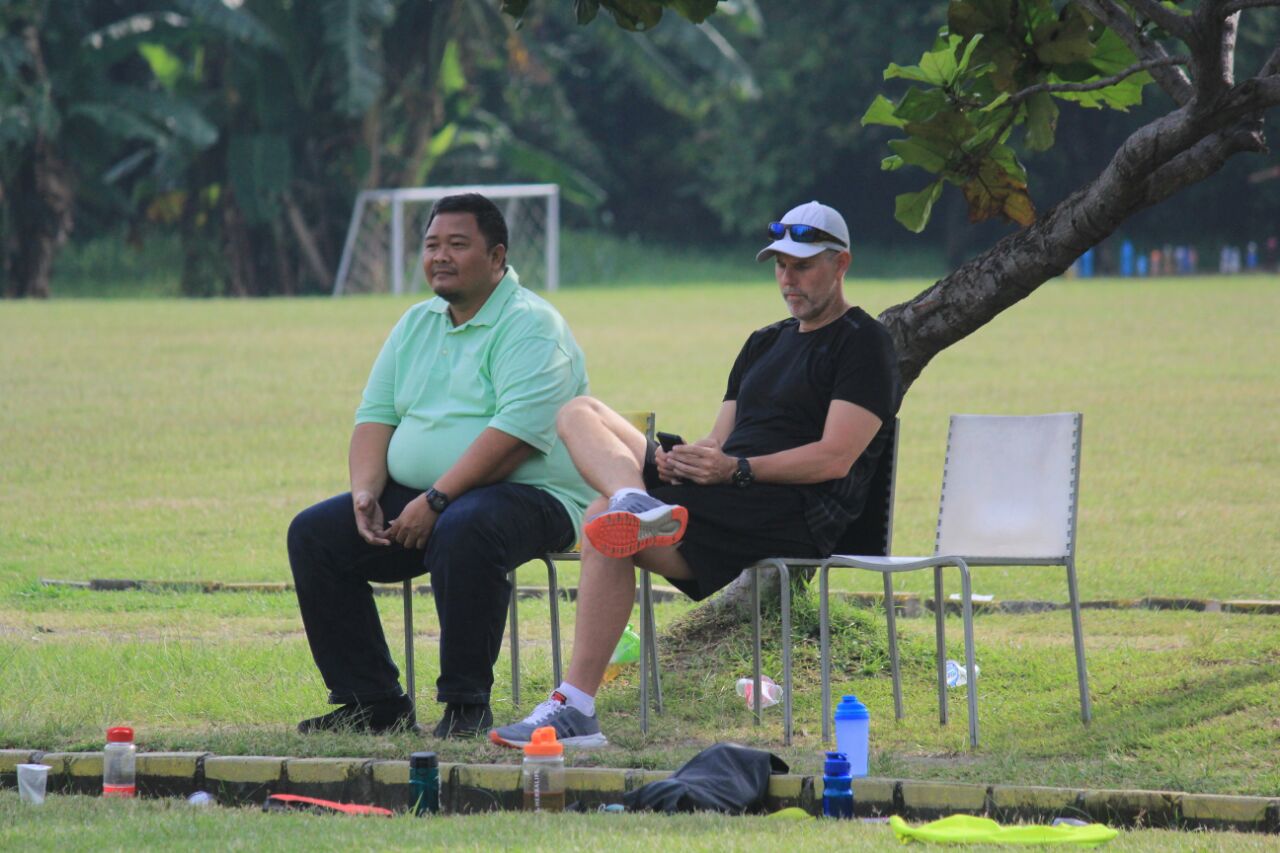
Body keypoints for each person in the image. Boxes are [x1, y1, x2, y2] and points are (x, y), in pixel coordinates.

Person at [489, 200, 900, 748]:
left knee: (602, 518)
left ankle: (576, 706)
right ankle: (635, 499)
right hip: (729, 487)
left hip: (791, 507)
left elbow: (834, 459)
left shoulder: (864, 342)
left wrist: (738, 470)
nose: (787, 279)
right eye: (780, 266)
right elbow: (723, 439)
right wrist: (691, 461)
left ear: (841, 263)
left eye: (802, 266)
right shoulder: (763, 341)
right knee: (577, 412)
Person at [288, 193, 593, 738]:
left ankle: (465, 704)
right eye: (432, 245)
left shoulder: (533, 325)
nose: (440, 257)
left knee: (465, 525)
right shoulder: (415, 323)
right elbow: (376, 417)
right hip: (431, 496)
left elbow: (516, 437)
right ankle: (374, 702)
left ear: (497, 257)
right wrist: (365, 492)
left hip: (533, 494)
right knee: (315, 534)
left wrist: (436, 500)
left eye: (458, 244)